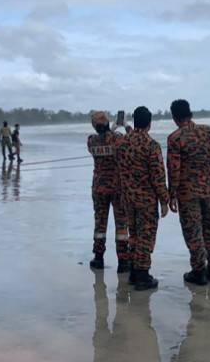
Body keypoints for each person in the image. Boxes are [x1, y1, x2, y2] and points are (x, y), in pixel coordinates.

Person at [167, 99, 210, 285]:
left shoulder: (175, 138)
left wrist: (171, 194)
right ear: (190, 113)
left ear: (174, 117)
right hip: (207, 190)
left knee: (192, 230)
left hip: (187, 194)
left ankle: (198, 272)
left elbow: (174, 169)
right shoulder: (209, 132)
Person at [116, 106, 169, 291]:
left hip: (127, 198)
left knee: (134, 235)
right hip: (146, 199)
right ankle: (142, 275)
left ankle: (133, 272)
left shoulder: (122, 143)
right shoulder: (151, 145)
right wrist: (164, 200)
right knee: (146, 237)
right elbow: (158, 176)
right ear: (149, 123)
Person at [88, 112, 130, 273]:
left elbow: (103, 140)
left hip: (99, 187)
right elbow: (130, 140)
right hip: (118, 186)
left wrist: (111, 130)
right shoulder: (118, 138)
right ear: (107, 124)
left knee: (100, 224)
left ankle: (98, 258)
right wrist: (124, 125)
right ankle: (123, 261)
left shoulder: (91, 141)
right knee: (121, 224)